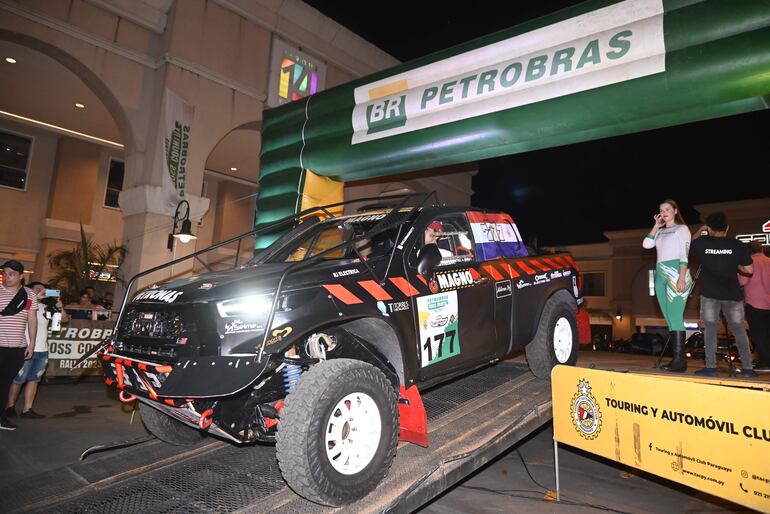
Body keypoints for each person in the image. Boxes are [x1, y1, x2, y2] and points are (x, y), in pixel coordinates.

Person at [690, 212, 755, 377]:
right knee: (739, 330)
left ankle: (711, 367)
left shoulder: (702, 243)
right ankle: (748, 369)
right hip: (732, 295)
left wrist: (701, 229)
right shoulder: (737, 244)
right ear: (727, 227)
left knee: (710, 330)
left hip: (709, 294)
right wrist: (735, 265)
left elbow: (688, 244)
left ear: (710, 229)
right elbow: (749, 270)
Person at [642, 199, 693, 372]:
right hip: (660, 276)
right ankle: (677, 360)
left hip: (676, 275)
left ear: (675, 211)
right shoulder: (660, 231)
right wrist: (656, 226)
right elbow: (646, 244)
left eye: (667, 209)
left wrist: (681, 278)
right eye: (661, 210)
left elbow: (684, 255)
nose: (664, 212)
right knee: (669, 318)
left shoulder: (682, 229)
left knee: (675, 316)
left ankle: (680, 361)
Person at [6, 282, 68, 419]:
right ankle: (9, 406)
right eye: (38, 289)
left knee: (34, 379)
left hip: (42, 350)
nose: (42, 291)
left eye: (43, 289)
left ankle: (27, 409)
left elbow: (63, 320)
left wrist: (60, 307)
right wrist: (34, 297)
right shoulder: (26, 304)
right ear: (29, 291)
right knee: (18, 379)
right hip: (26, 348)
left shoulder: (46, 308)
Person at [0, 260, 38, 430]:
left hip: (17, 348)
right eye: (5, 273)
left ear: (21, 277)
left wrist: (31, 344)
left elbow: (32, 319)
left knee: (5, 383)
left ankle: (1, 418)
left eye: (12, 274)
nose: (7, 277)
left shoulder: (29, 295)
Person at [738, 241, 770, 371]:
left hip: (755, 304)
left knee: (758, 335)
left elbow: (742, 281)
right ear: (761, 249)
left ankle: (765, 362)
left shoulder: (749, 263)